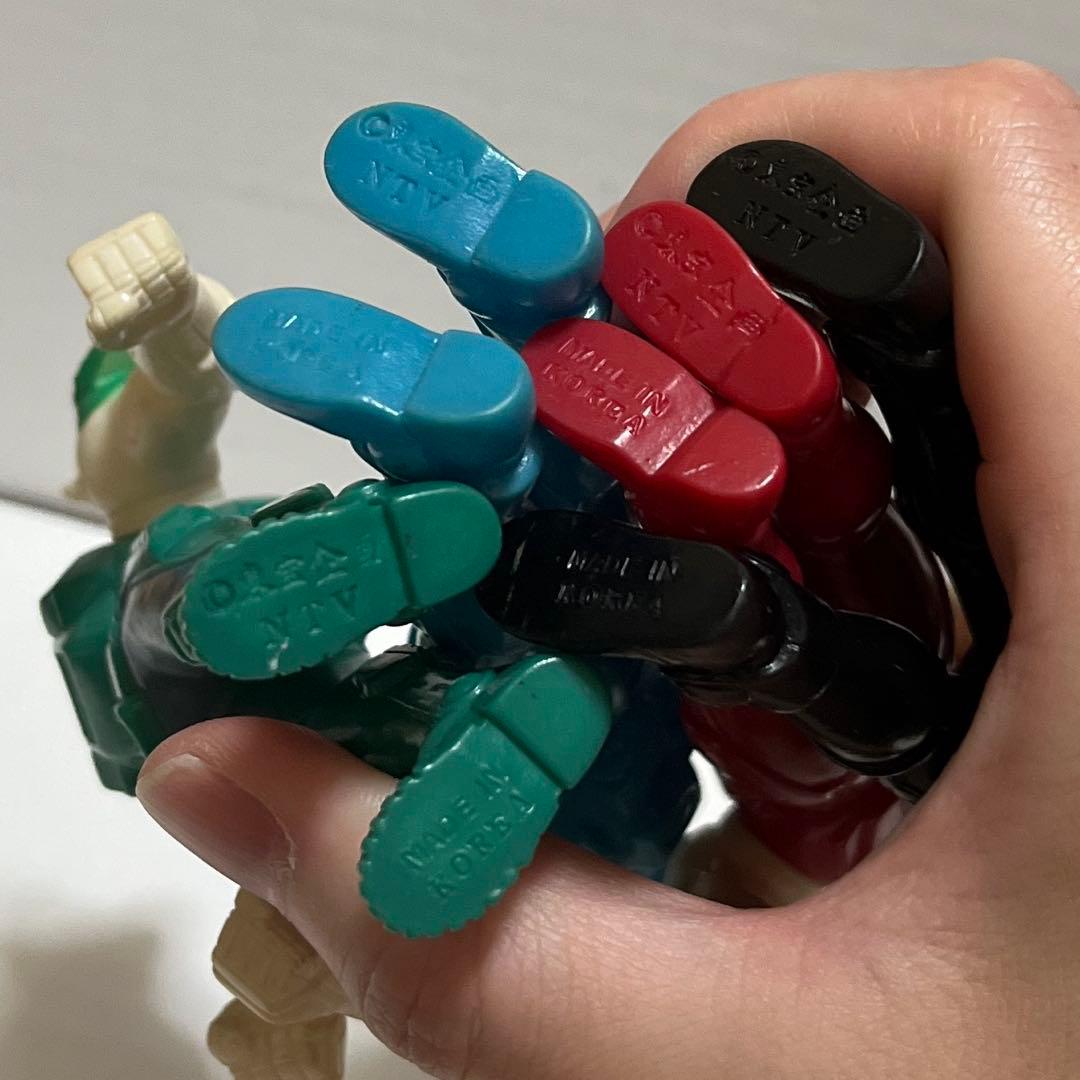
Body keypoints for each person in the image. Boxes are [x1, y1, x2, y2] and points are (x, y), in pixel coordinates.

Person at [134, 60, 1080, 1078]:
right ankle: (511, 411)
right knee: (492, 646)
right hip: (673, 711)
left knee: (725, 615)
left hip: (771, 697)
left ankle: (666, 403)